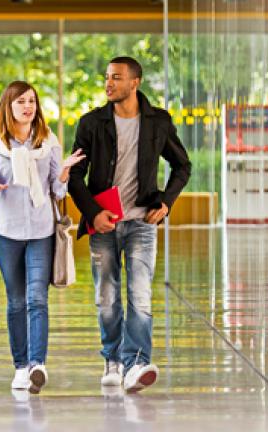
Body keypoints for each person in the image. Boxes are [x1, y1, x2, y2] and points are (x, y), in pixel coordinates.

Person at [69, 57, 191, 393]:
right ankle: (112, 357)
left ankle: (136, 362)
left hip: (141, 223)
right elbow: (75, 175)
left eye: (116, 78)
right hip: (103, 224)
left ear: (135, 82)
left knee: (141, 294)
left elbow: (182, 166)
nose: (109, 83)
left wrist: (166, 202)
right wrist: (93, 212)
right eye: (106, 77)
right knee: (106, 296)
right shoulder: (91, 123)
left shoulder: (158, 122)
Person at [0, 81, 85, 394]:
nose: (28, 107)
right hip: (7, 231)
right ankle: (21, 366)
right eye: (21, 102)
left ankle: (38, 364)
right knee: (16, 301)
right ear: (8, 106)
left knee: (37, 298)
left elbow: (56, 189)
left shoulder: (47, 140)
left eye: (32, 102)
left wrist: (64, 172)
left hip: (41, 230)